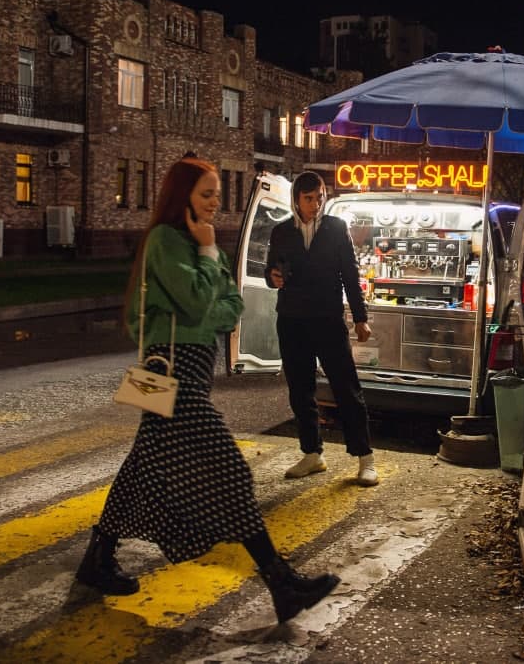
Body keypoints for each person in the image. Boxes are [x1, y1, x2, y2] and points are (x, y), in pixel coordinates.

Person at [76, 154, 339, 623]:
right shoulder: (168, 240)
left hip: (194, 366)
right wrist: (207, 257)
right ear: (184, 195)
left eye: (217, 193)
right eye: (207, 193)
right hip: (169, 369)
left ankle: (99, 556)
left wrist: (208, 285)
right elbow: (199, 302)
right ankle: (280, 581)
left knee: (143, 465)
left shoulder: (201, 241)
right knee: (229, 469)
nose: (216, 201)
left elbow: (232, 305)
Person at [265, 171, 378, 486]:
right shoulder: (281, 231)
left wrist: (360, 318)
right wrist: (272, 277)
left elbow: (350, 275)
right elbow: (270, 270)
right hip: (292, 320)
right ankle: (312, 453)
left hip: (328, 319)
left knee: (346, 388)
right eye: (309, 199)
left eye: (320, 198)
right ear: (296, 200)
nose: (315, 205)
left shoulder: (336, 228)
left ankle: (365, 458)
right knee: (300, 390)